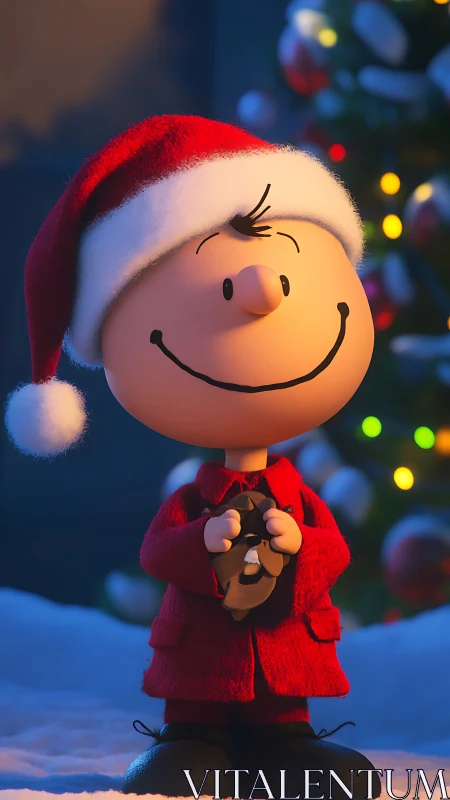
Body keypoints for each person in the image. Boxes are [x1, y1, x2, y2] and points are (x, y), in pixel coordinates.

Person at [5, 115, 379, 798]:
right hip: (200, 672)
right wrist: (202, 539)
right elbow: (158, 554)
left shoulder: (296, 496)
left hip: (285, 667)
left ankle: (285, 741)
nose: (263, 294)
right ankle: (192, 741)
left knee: (289, 736)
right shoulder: (194, 499)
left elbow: (334, 553)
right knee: (193, 736)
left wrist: (300, 541)